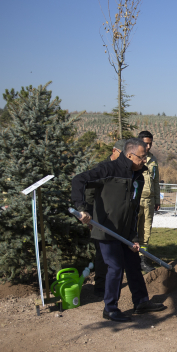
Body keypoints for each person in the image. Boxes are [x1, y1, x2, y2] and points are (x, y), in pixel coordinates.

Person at [71, 138, 166, 322]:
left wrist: (134, 236)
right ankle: (110, 308)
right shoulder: (108, 169)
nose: (145, 160)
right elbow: (79, 180)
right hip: (106, 229)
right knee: (115, 267)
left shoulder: (138, 175)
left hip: (125, 232)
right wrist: (82, 209)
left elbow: (133, 208)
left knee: (133, 264)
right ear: (129, 155)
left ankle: (141, 302)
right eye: (142, 157)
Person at [85, 139, 125, 296]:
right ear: (114, 151)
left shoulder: (124, 169)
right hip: (101, 218)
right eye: (122, 154)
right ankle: (101, 287)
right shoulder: (102, 168)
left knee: (117, 254)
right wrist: (88, 214)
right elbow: (89, 192)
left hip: (118, 219)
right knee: (102, 255)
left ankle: (114, 285)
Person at [137, 131, 160, 272]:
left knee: (146, 232)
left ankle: (142, 259)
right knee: (133, 230)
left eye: (150, 143)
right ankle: (129, 258)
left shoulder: (153, 160)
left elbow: (156, 180)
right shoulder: (134, 157)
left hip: (150, 201)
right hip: (137, 200)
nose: (148, 146)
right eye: (146, 143)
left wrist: (157, 199)